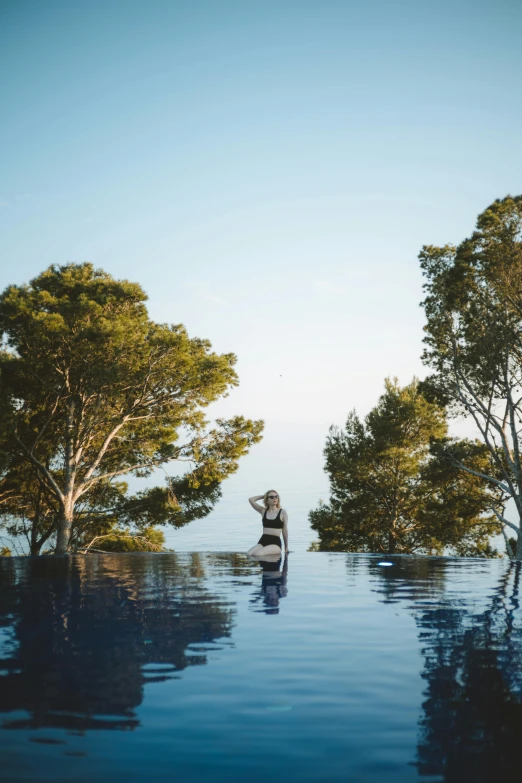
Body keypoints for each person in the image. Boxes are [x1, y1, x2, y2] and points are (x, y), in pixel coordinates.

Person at [247, 490, 288, 557]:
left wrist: (286, 547)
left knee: (257, 554)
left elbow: (285, 530)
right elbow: (251, 500)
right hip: (263, 541)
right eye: (271, 497)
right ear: (267, 500)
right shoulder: (263, 511)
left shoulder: (282, 512)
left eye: (276, 496)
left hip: (275, 543)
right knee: (249, 554)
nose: (274, 498)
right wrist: (264, 496)